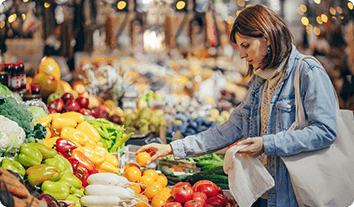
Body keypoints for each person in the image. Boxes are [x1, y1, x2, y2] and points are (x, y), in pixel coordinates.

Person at [137, 4, 337, 207]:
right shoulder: (261, 82)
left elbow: (325, 130)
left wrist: (268, 143)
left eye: (246, 45)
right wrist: (171, 148)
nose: (242, 54)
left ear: (266, 38)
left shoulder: (307, 72)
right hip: (261, 194)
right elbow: (228, 130)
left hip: (293, 197)